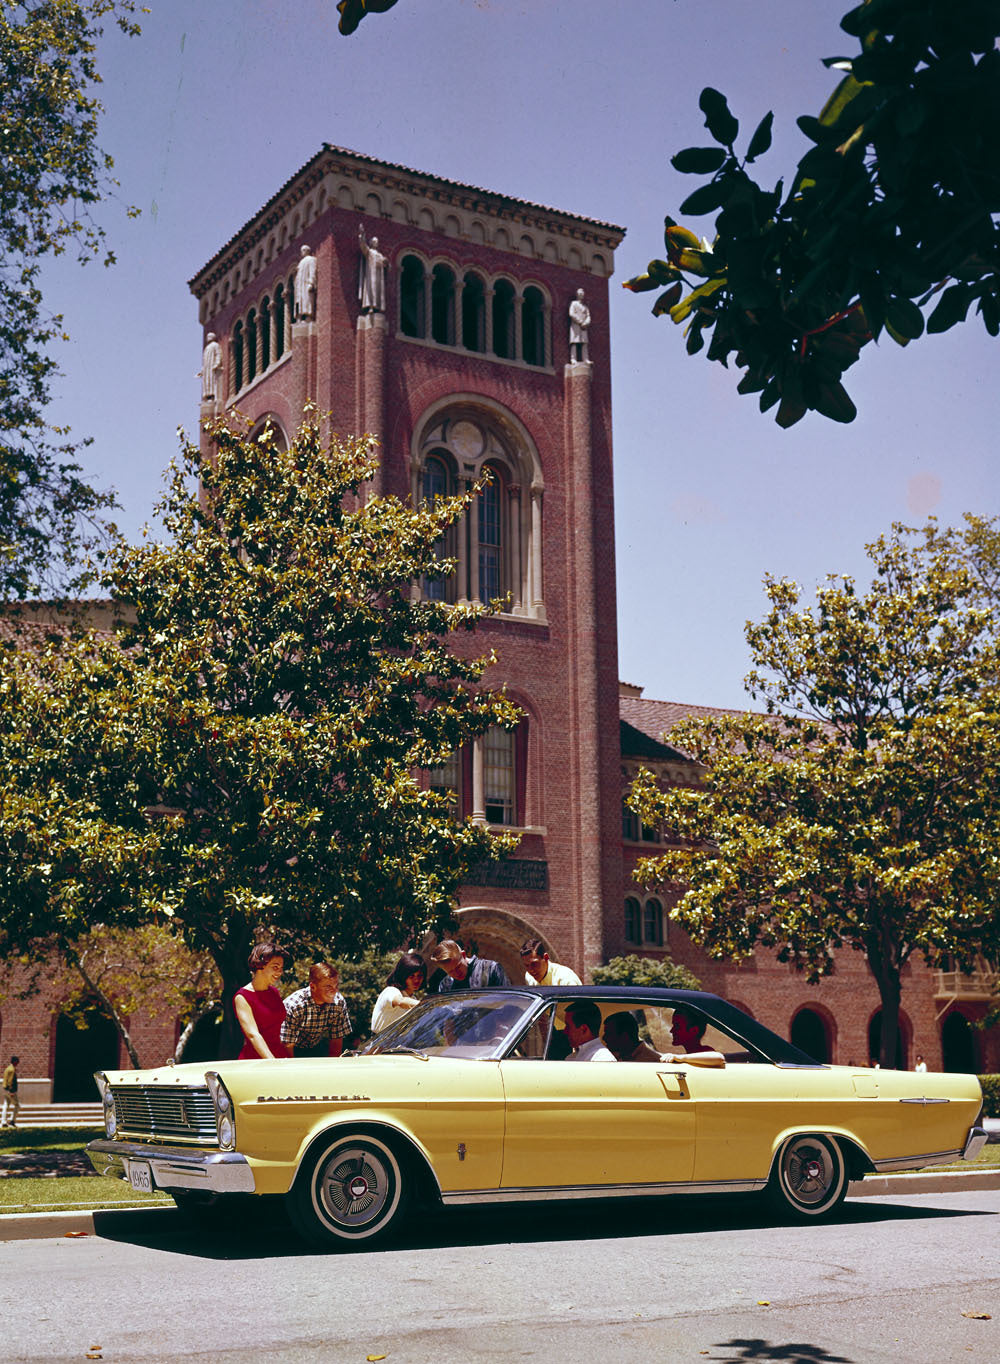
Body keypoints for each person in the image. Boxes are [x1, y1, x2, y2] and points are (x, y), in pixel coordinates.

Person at [233, 942, 291, 1059]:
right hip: (257, 1060)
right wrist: (272, 1062)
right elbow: (253, 1035)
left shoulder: (274, 992)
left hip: (280, 1055)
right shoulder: (242, 997)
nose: (279, 972)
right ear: (260, 965)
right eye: (275, 967)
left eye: (281, 968)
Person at [281, 962, 352, 1057]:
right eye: (328, 987)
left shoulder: (338, 1002)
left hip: (316, 1046)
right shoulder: (295, 1006)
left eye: (336, 986)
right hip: (289, 1047)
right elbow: (287, 1046)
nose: (334, 991)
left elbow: (336, 1039)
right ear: (313, 987)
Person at [371, 952, 426, 1035]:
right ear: (403, 975)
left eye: (419, 976)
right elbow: (401, 1001)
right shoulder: (391, 991)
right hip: (378, 1041)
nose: (416, 980)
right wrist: (424, 1004)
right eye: (411, 976)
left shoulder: (413, 999)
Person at [431, 939, 510, 992]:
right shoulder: (446, 985)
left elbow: (508, 1001)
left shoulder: (491, 969)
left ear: (463, 955)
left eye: (458, 967)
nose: (456, 973)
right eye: (450, 971)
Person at [659, 1008, 725, 1067]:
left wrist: (679, 1058)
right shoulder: (690, 1055)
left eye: (677, 1026)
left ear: (693, 1030)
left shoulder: (704, 1050)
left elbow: (719, 1058)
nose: (671, 1030)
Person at [357, 224, 387, 313]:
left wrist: (385, 262)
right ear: (371, 243)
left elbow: (384, 264)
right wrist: (362, 235)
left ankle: (377, 306)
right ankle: (370, 306)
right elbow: (363, 246)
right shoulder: (369, 252)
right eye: (374, 241)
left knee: (378, 290)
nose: (376, 243)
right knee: (371, 288)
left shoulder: (379, 254)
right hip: (371, 273)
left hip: (378, 275)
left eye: (377, 242)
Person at [198, 332, 223, 404]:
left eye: (209, 336)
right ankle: (207, 397)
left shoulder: (215, 345)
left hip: (212, 367)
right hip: (207, 369)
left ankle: (212, 396)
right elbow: (204, 360)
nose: (207, 338)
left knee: (212, 381)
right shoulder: (207, 348)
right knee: (207, 382)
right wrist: (202, 370)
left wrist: (217, 364)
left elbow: (218, 354)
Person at [568, 287, 591, 363]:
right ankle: (573, 358)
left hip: (584, 326)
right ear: (577, 295)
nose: (581, 295)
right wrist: (580, 321)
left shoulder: (585, 307)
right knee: (574, 341)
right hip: (576, 325)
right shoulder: (574, 303)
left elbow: (588, 316)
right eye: (580, 294)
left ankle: (585, 359)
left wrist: (586, 322)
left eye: (582, 294)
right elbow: (571, 313)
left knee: (584, 342)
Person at [294, 244, 317, 320]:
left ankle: (308, 317)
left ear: (308, 251)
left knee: (307, 300)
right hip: (300, 286)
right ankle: (300, 317)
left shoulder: (311, 259)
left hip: (306, 284)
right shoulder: (301, 263)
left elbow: (312, 272)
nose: (302, 252)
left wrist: (311, 283)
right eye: (301, 250)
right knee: (300, 301)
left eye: (304, 250)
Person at [1, 1055, 20, 1129]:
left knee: (6, 1105)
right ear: (14, 1062)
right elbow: (10, 1081)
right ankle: (12, 1120)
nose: (18, 1063)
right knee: (17, 1105)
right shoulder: (12, 1069)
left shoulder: (8, 1068)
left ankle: (3, 1122)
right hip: (10, 1090)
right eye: (17, 1062)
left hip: (5, 1089)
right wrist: (11, 1091)